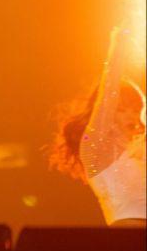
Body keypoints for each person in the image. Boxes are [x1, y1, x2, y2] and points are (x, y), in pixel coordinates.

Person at [49, 23, 145, 227]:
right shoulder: (95, 149)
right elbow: (108, 94)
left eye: (135, 109)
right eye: (122, 109)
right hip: (126, 240)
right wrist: (118, 48)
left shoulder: (139, 150)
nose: (131, 115)